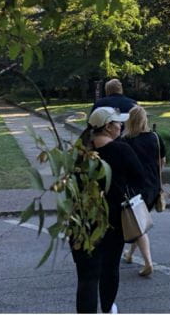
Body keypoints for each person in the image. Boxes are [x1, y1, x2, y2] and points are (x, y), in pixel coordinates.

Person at [71, 106, 148, 314]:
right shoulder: (122, 150)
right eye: (117, 122)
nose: (121, 125)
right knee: (110, 268)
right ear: (107, 127)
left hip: (82, 220)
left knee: (87, 276)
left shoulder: (80, 152)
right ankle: (107, 308)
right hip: (113, 220)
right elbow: (140, 179)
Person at [122, 105, 166, 277]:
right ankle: (129, 254)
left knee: (139, 225)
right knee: (139, 221)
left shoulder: (126, 141)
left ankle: (148, 263)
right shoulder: (155, 137)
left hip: (134, 188)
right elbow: (162, 161)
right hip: (153, 186)